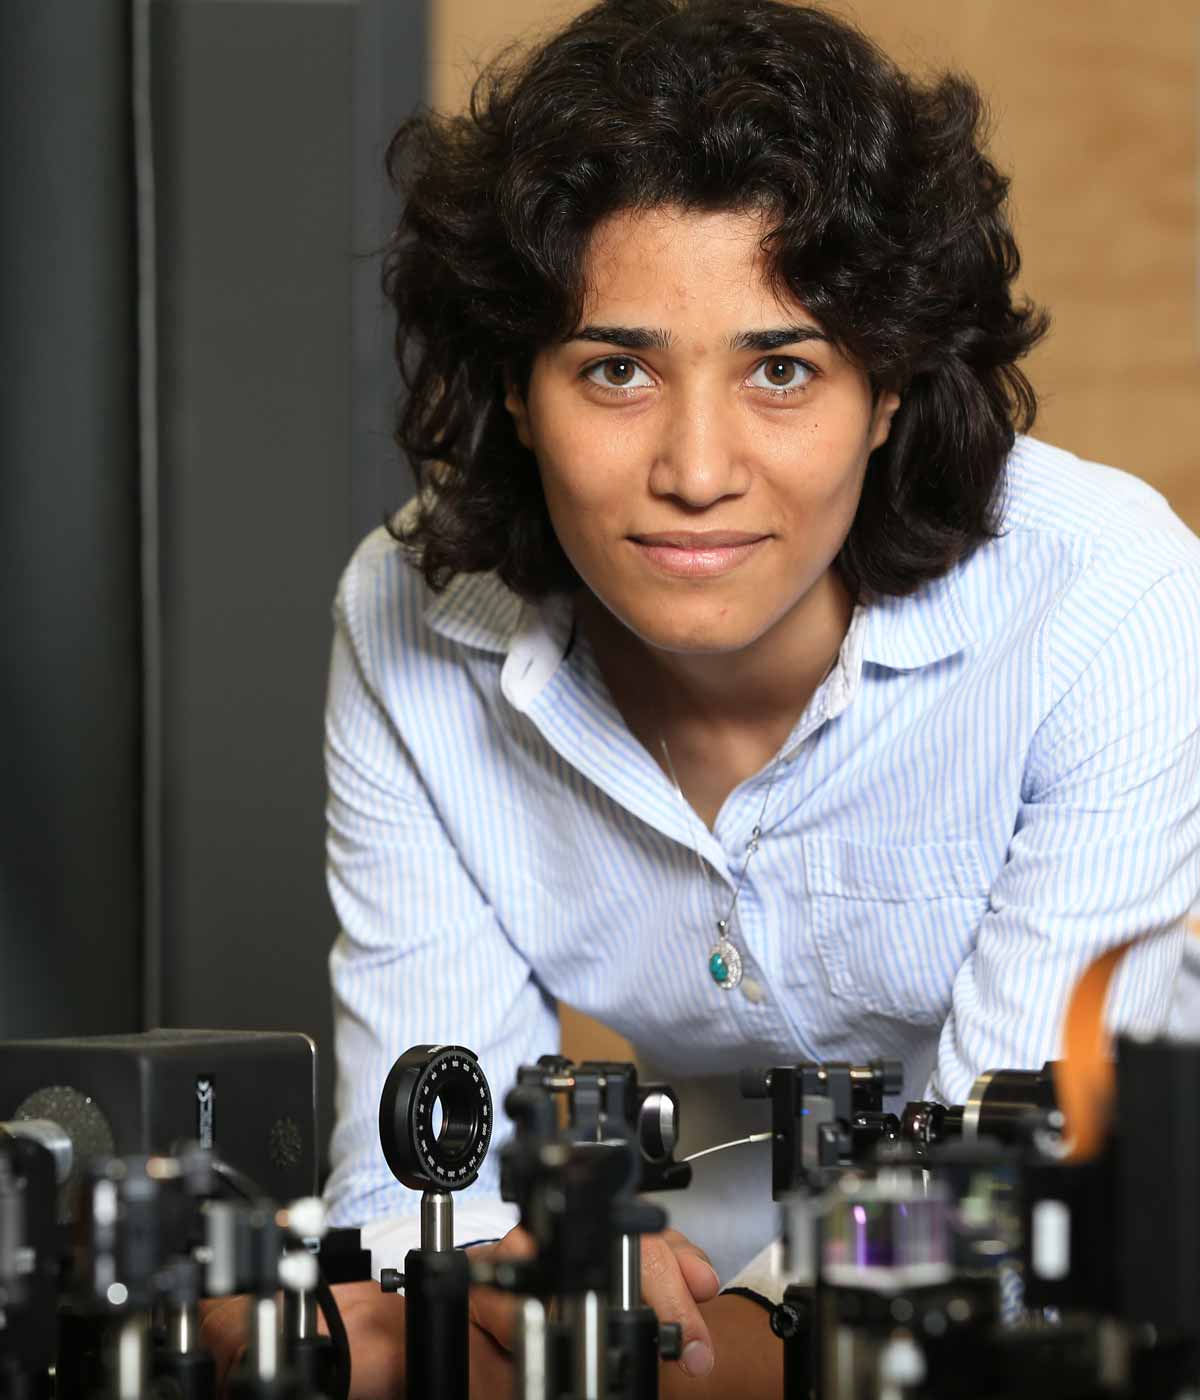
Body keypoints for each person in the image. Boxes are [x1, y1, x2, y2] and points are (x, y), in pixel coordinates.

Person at [202, 1, 1200, 1395]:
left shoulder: (1106, 598)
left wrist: (673, 1351)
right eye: (617, 369)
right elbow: (428, 1178)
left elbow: (1008, 1206)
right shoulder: (409, 614)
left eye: (781, 370)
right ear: (515, 385)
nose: (697, 470)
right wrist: (470, 1299)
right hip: (696, 1268)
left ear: (890, 388)